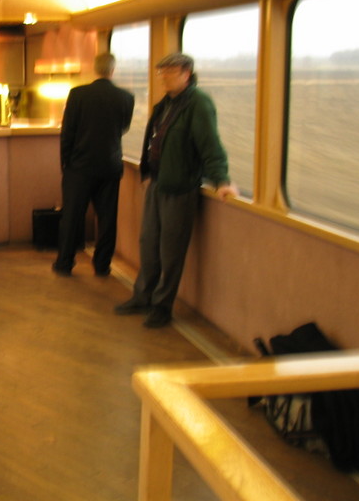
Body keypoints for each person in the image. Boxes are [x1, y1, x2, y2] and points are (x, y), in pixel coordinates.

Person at [114, 52, 238, 328]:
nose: (163, 77)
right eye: (161, 73)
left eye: (169, 72)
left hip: (181, 188)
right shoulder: (164, 105)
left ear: (186, 74)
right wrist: (148, 171)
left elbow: (211, 145)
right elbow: (154, 140)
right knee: (148, 244)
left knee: (171, 251)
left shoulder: (198, 104)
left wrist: (222, 180)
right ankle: (142, 296)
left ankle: (162, 306)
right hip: (158, 184)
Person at [52, 53, 134, 277]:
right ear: (112, 70)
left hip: (79, 166)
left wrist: (65, 164)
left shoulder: (78, 94)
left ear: (95, 70)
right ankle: (102, 265)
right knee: (107, 218)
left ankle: (65, 262)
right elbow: (122, 128)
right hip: (109, 165)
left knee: (72, 216)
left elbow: (67, 133)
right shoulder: (126, 98)